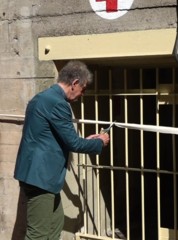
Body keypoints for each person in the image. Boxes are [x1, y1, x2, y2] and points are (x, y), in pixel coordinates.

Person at [14, 60, 110, 240]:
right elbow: (73, 144)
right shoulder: (58, 104)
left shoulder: (41, 97)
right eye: (83, 88)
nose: (83, 93)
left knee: (55, 223)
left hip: (37, 175)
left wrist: (86, 140)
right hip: (41, 177)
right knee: (39, 233)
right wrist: (100, 143)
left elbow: (52, 137)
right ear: (74, 83)